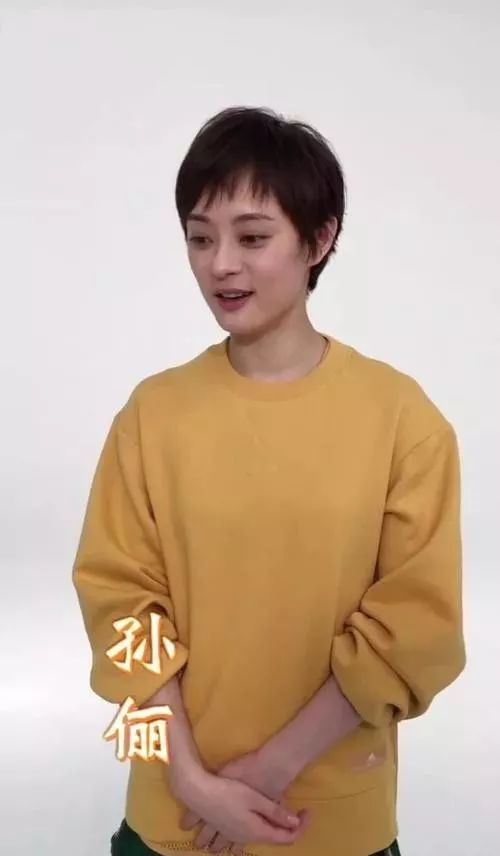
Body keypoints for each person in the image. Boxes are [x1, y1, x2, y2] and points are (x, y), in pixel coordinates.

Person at [72, 106, 466, 856]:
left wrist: (268, 772)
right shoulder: (152, 414)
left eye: (252, 238)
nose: (221, 264)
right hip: (173, 820)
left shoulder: (403, 420)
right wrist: (190, 780)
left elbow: (416, 631)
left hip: (330, 824)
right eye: (200, 238)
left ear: (319, 240)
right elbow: (120, 609)